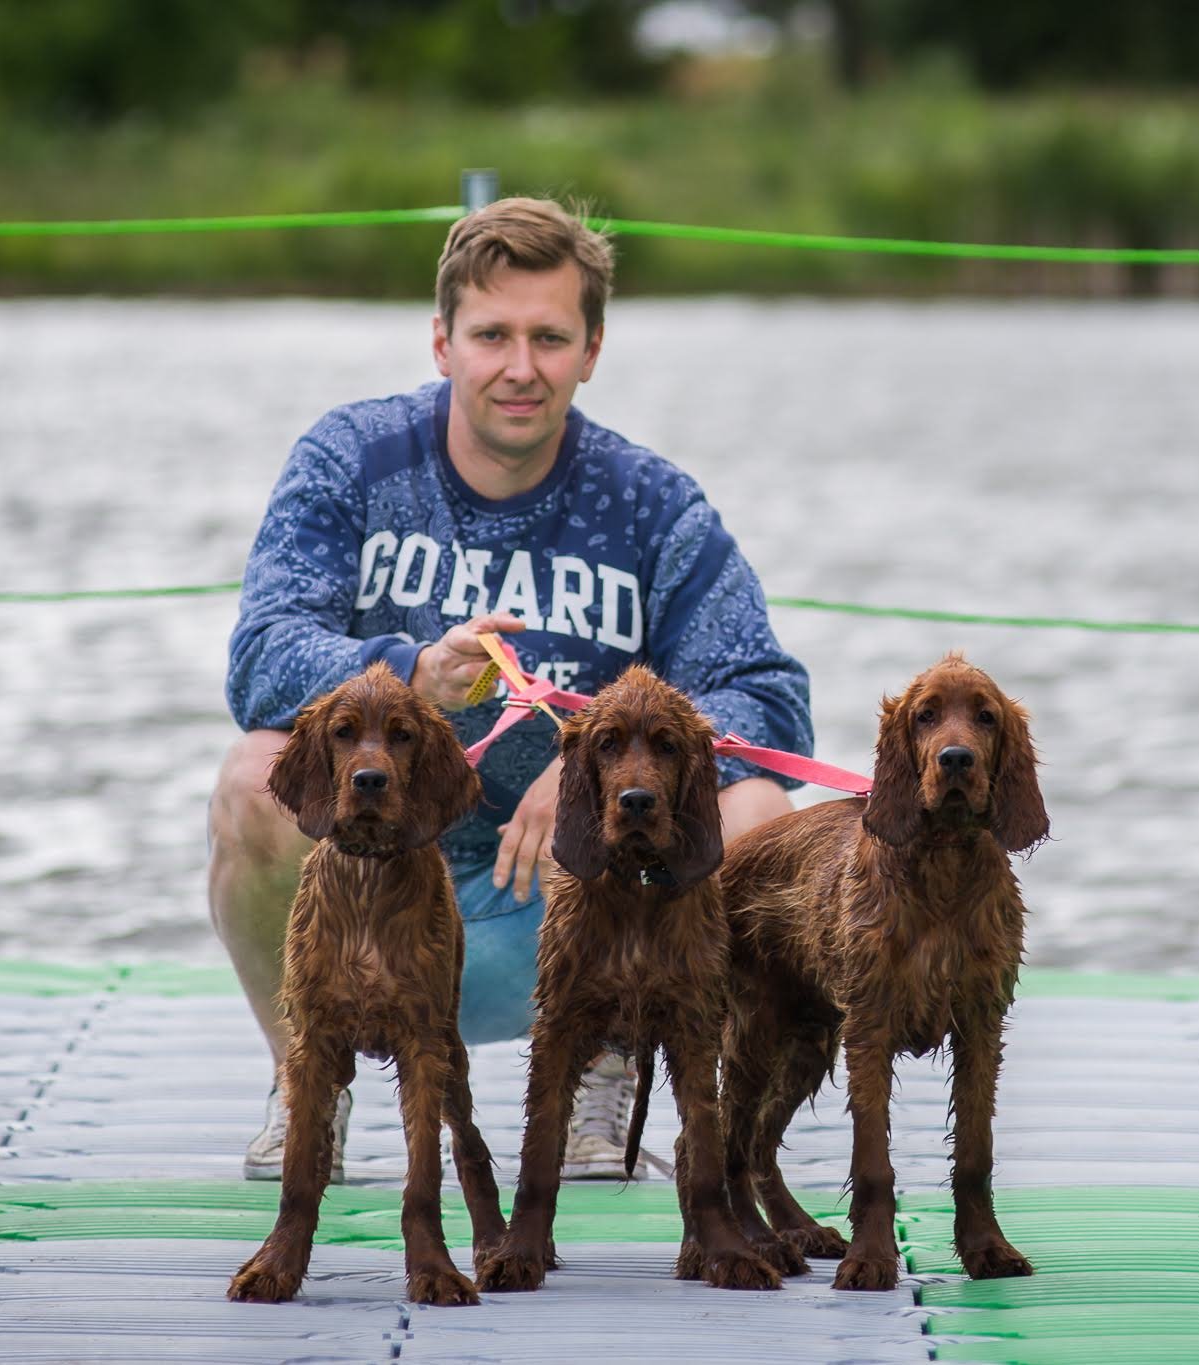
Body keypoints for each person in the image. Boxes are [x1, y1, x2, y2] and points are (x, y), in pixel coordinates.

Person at [206, 196, 812, 1184]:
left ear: (592, 349)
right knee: (249, 780)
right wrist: (410, 680)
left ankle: (606, 1072)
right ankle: (306, 1084)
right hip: (375, 894)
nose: (519, 366)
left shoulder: (651, 502)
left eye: (548, 337)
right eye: (491, 334)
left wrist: (594, 767)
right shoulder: (348, 459)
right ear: (441, 342)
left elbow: (763, 694)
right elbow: (261, 657)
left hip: (586, 906)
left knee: (754, 814)